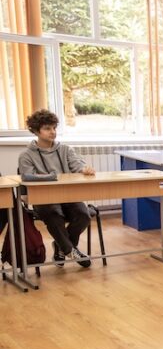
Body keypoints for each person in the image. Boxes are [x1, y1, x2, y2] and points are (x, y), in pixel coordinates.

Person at [18, 109, 94, 268]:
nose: (52, 132)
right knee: (53, 214)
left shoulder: (65, 149)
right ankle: (70, 250)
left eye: (54, 128)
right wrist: (51, 176)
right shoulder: (26, 155)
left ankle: (62, 247)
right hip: (43, 199)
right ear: (36, 131)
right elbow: (27, 176)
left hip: (68, 195)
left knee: (83, 215)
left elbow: (77, 165)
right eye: (47, 128)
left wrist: (84, 169)